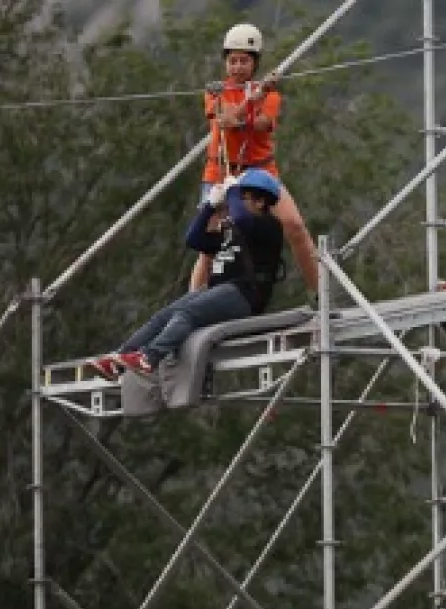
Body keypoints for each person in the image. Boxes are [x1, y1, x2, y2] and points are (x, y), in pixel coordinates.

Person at [90, 169, 284, 379]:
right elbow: (194, 239)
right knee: (163, 316)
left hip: (245, 294)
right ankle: (120, 358)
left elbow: (242, 219)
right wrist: (209, 206)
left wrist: (232, 191)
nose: (233, 203)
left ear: (260, 202)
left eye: (241, 197)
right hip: (221, 291)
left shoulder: (267, 225)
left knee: (188, 313)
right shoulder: (233, 231)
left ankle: (149, 357)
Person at [192, 23, 317, 294]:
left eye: (244, 61)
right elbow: (225, 120)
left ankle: (318, 293)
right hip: (221, 170)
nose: (237, 67)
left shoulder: (271, 95)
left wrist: (257, 97)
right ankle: (192, 300)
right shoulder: (215, 92)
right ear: (226, 63)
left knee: (295, 226)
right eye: (233, 61)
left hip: (260, 171)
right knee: (209, 245)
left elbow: (261, 124)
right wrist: (254, 97)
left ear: (254, 63)